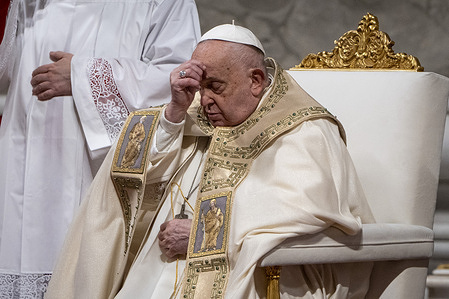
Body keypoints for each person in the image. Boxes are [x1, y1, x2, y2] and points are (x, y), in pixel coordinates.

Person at [45, 24, 375, 298]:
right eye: (199, 87)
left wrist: (204, 236)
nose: (205, 101)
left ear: (256, 81)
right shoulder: (197, 113)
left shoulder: (304, 128)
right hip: (162, 270)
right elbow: (135, 182)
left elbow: (309, 214)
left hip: (258, 272)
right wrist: (173, 113)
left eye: (215, 86)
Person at [0, 0, 200, 297]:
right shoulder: (30, 5)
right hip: (21, 152)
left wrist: (86, 76)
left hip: (98, 170)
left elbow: (184, 78)